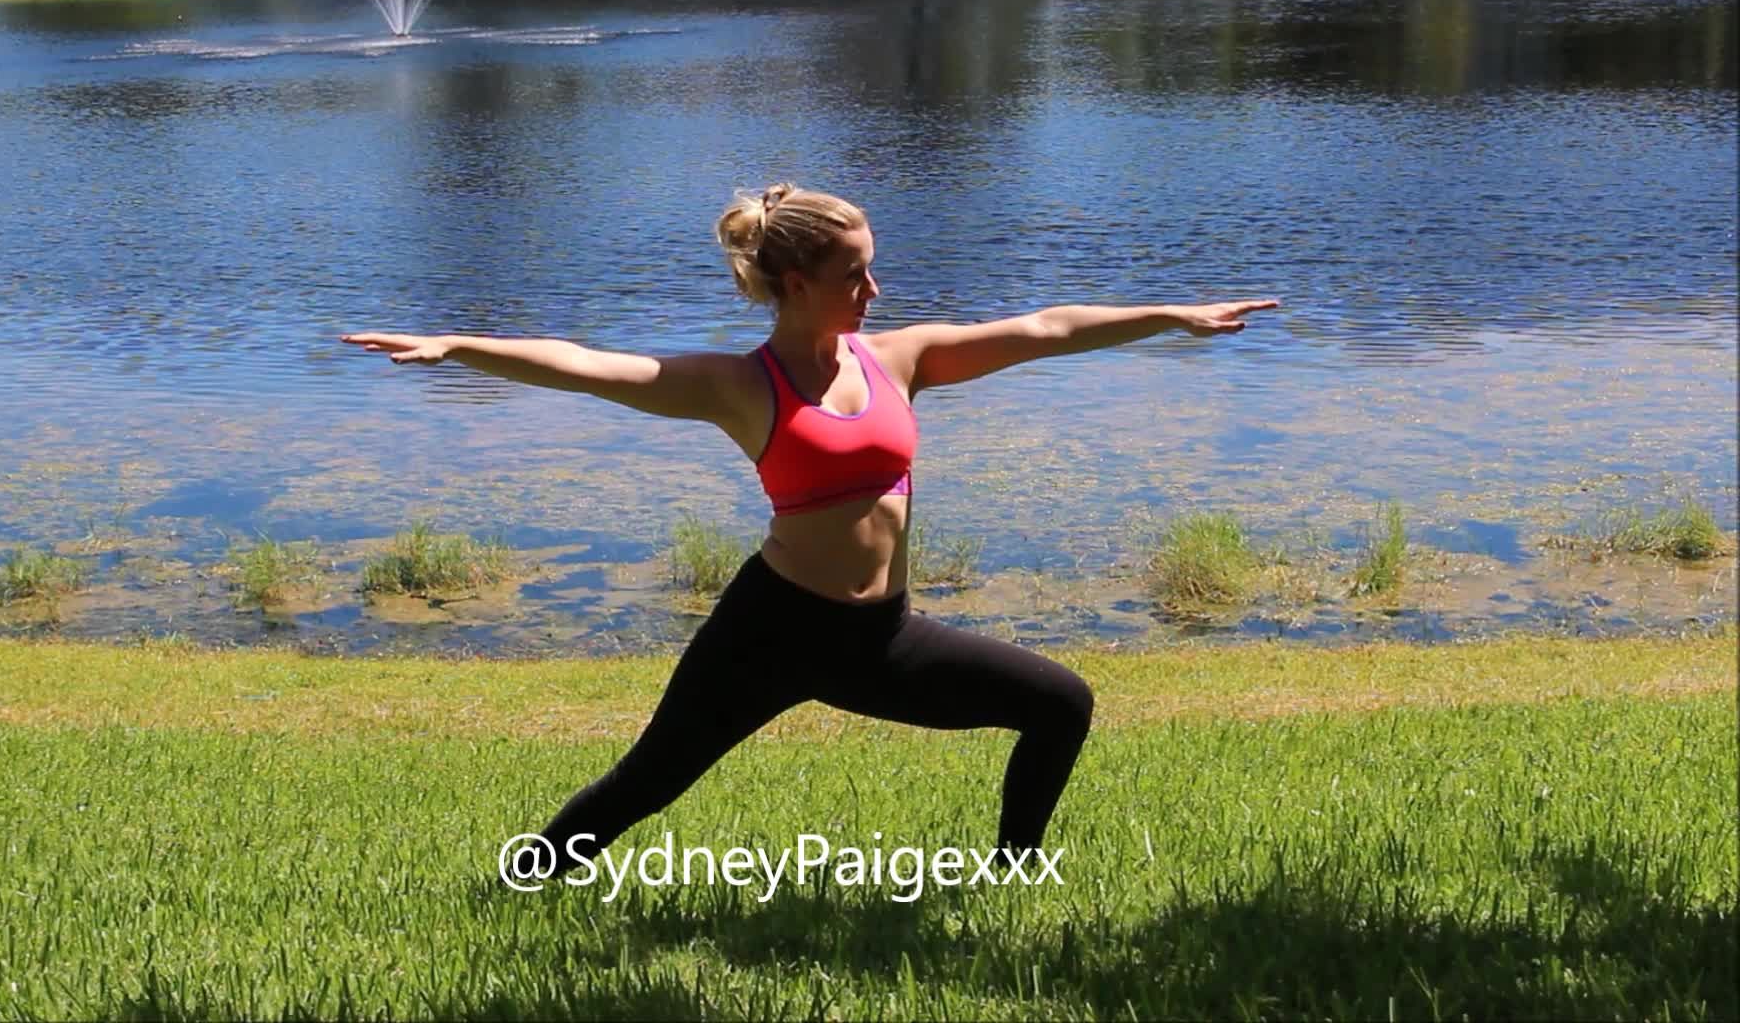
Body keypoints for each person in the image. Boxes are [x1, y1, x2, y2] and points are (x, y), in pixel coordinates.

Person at [341, 183, 1276, 876]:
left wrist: (1168, 316)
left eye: (872, 267)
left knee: (1060, 703)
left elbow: (1043, 326)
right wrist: (457, 347)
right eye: (854, 273)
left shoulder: (900, 358)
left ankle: (1014, 875)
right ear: (794, 282)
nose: (875, 287)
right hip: (771, 631)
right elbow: (588, 365)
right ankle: (524, 878)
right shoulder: (742, 386)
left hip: (883, 636)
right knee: (648, 782)